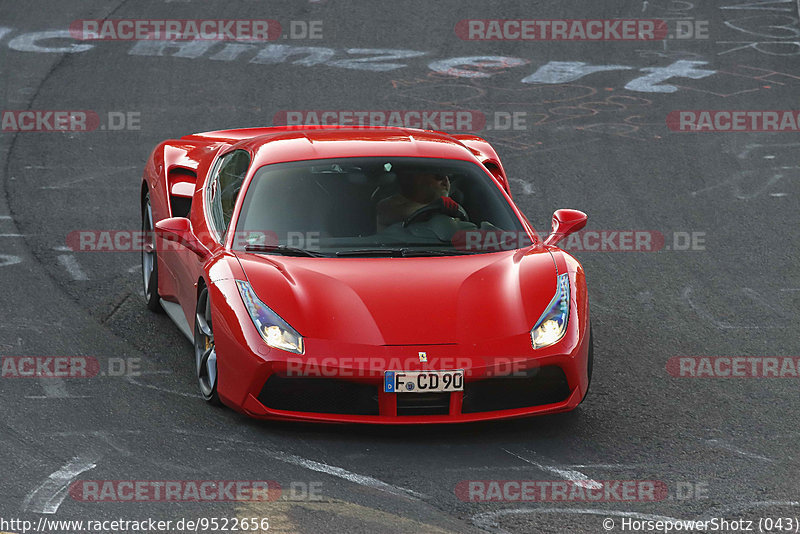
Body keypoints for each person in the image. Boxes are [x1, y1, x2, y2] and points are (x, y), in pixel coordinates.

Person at [376, 169, 452, 230]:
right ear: (419, 179)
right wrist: (439, 206)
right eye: (439, 176)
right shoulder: (388, 206)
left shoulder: (450, 207)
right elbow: (400, 212)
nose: (446, 182)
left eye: (448, 177)